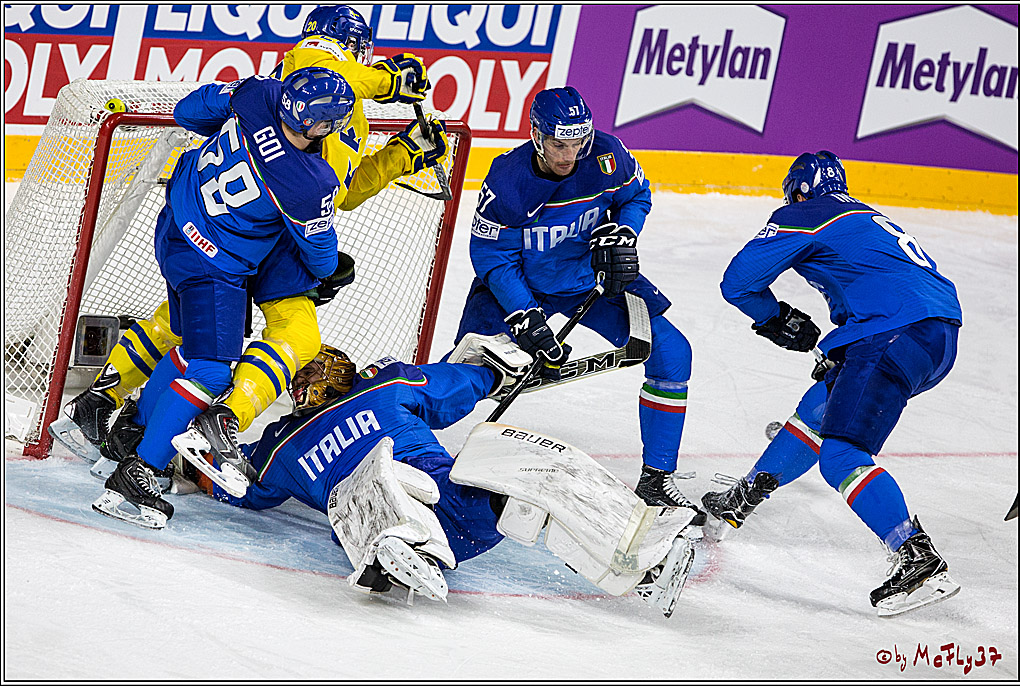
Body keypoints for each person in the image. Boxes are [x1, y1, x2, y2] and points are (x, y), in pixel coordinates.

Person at [51, 5, 445, 480]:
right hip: (262, 236)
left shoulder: (284, 94)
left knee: (185, 324)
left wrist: (404, 154)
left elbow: (340, 191)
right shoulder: (315, 71)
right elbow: (324, 67)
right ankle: (212, 425)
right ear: (355, 52)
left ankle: (119, 415)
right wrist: (385, 79)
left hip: (234, 225)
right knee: (263, 340)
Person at [192, 334, 701, 616]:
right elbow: (233, 479)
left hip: (455, 502)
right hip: (383, 512)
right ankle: (399, 547)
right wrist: (181, 464)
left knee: (525, 458)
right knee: (377, 478)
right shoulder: (281, 442)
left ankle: (644, 554)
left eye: (308, 375)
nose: (300, 386)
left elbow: (454, 382)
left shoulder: (367, 398)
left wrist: (501, 365)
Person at [89, 67, 354, 529]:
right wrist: (331, 273)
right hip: (212, 266)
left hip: (174, 225)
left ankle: (134, 434)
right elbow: (320, 252)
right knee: (212, 371)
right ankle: (139, 473)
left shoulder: (259, 93)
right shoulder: (310, 181)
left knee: (190, 345)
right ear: (320, 126)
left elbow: (188, 112)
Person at [703, 150, 963, 617]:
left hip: (893, 331)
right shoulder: (865, 215)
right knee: (819, 409)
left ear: (799, 191)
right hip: (935, 336)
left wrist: (775, 318)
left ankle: (917, 557)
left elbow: (738, 281)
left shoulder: (806, 213)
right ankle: (741, 499)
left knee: (842, 453)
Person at [450, 86, 699, 515]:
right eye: (559, 145)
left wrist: (624, 231)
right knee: (469, 376)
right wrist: (523, 313)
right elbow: (491, 255)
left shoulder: (607, 154)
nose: (569, 156)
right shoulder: (508, 181)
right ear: (536, 136)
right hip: (522, 288)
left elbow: (636, 196)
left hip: (592, 281)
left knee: (673, 354)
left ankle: (657, 480)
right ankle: (395, 433)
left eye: (577, 143)